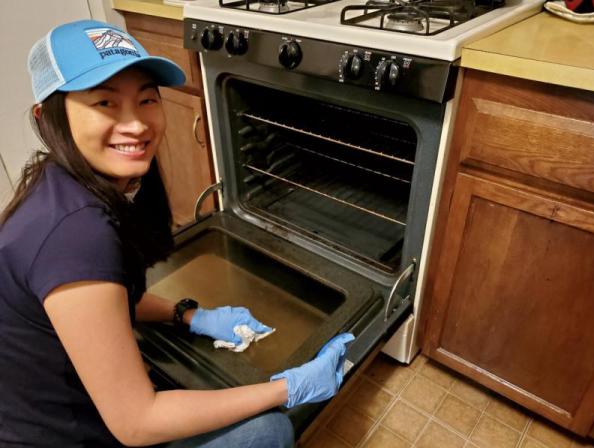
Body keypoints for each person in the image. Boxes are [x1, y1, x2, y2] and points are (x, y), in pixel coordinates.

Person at [0, 19, 354, 447]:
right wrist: (288, 388)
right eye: (105, 104)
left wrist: (188, 315)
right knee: (269, 430)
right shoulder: (75, 235)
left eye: (146, 99)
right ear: (48, 116)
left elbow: (108, 301)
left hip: (61, 407)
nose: (136, 125)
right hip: (67, 436)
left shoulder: (60, 184)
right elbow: (137, 422)